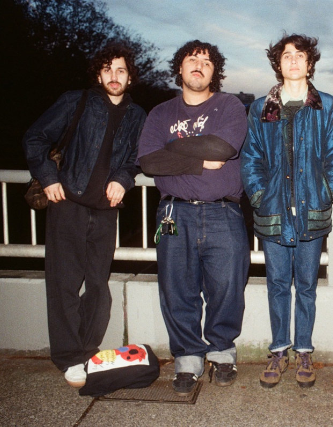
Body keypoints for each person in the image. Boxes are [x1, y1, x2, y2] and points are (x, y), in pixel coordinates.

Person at [23, 42, 146, 387]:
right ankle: (68, 357)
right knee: (63, 284)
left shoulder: (138, 115)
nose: (114, 76)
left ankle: (87, 351)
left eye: (121, 70)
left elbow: (137, 158)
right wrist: (48, 177)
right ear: (98, 74)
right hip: (68, 204)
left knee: (97, 286)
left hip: (105, 211)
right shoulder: (75, 101)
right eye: (107, 69)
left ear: (130, 77)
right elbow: (35, 137)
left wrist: (124, 178)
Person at [136, 40, 249, 395]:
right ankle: (187, 357)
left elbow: (223, 148)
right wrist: (199, 160)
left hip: (223, 211)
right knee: (176, 287)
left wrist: (171, 148)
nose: (199, 64)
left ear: (215, 72)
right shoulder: (160, 113)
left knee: (227, 287)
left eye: (207, 61)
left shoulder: (229, 106)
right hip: (172, 213)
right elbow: (149, 161)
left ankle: (222, 351)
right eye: (192, 59)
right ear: (180, 68)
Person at [241, 33, 333, 389]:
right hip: (273, 212)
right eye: (286, 55)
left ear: (310, 63)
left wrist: (327, 193)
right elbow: (251, 156)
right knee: (276, 284)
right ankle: (278, 350)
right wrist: (260, 195)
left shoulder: (325, 105)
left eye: (300, 55)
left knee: (306, 285)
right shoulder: (262, 107)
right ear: (278, 63)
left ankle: (303, 349)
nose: (293, 60)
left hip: (310, 211)